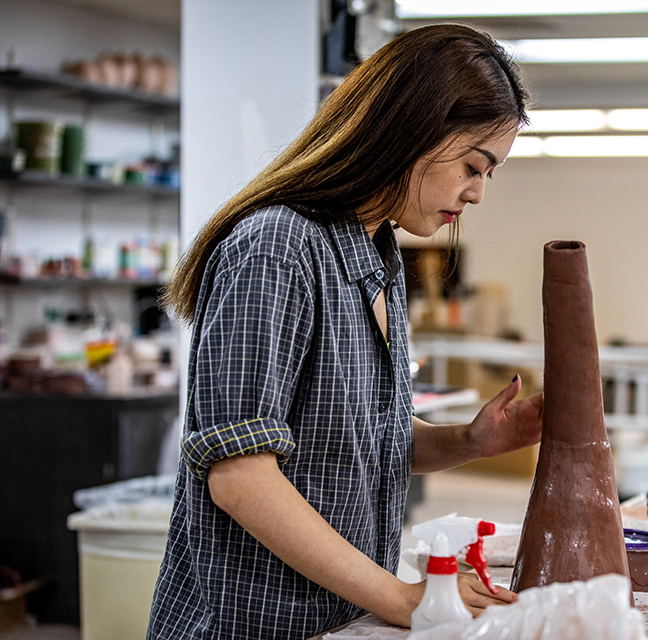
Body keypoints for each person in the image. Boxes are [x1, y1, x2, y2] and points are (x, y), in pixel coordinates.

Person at [148, 24, 543, 639]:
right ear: (413, 127)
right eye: (473, 165)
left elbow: (356, 437)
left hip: (335, 621)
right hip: (251, 625)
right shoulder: (276, 249)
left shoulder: (377, 251)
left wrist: (469, 440)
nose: (477, 193)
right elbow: (241, 477)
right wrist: (405, 599)